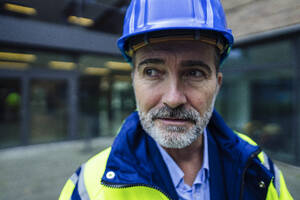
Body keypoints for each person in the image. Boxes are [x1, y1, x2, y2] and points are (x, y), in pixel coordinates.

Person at [59, 0, 293, 199]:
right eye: (152, 71)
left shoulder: (259, 168)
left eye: (194, 73)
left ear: (217, 84)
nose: (173, 99)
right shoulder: (88, 189)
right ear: (133, 81)